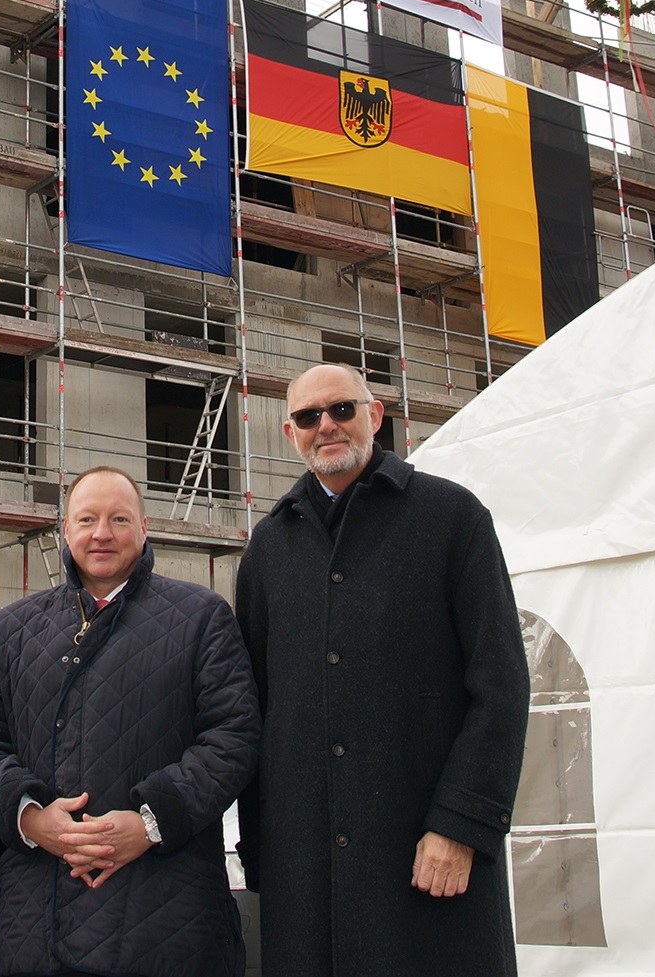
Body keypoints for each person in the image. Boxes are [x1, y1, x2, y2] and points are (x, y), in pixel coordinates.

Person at [235, 363, 530, 977]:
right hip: (306, 873)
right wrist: (263, 852)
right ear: (291, 434)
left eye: (341, 409)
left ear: (375, 416)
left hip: (425, 857)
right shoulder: (268, 548)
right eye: (308, 417)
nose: (327, 426)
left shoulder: (453, 519)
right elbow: (255, 707)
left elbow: (500, 686)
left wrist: (461, 825)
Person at [0, 466, 259, 977]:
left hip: (166, 922)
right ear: (65, 530)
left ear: (143, 528)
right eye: (87, 519)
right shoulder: (13, 627)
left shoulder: (201, 617)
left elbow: (234, 738)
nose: (102, 533)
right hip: (37, 923)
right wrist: (29, 817)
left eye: (119, 519)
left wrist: (150, 823)